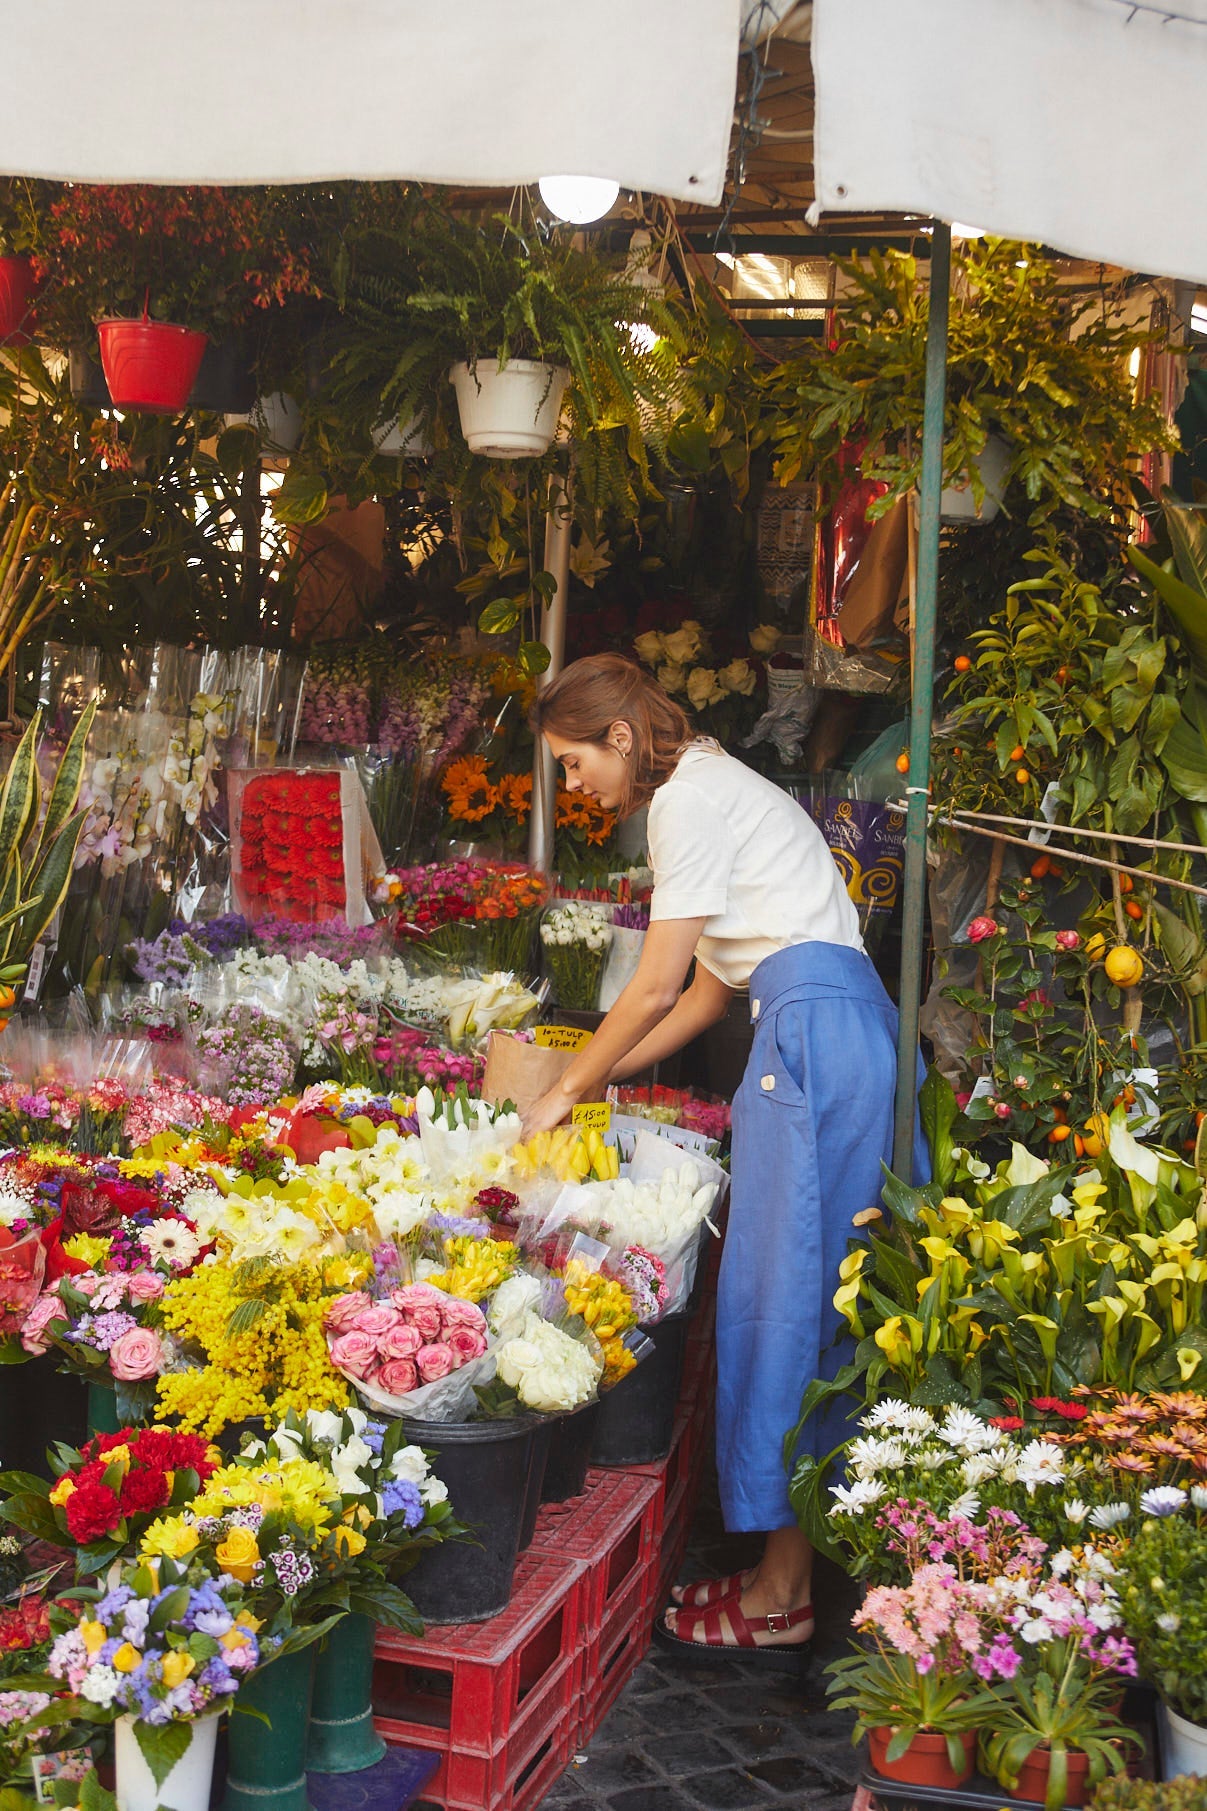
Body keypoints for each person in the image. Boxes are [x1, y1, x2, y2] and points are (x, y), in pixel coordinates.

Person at [523, 652, 927, 1663]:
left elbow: (658, 983)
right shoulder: (718, 784)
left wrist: (566, 1087)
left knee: (785, 1302)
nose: (575, 788)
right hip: (833, 1035)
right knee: (820, 1303)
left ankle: (784, 1591)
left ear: (618, 738)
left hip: (811, 1045)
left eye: (573, 765)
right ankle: (787, 1572)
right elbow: (704, 994)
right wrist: (586, 1071)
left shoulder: (686, 800)